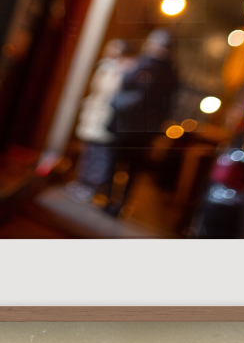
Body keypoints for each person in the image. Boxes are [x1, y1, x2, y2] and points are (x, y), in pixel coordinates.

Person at [106, 29, 179, 219]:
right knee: (121, 164)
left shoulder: (152, 67)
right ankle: (115, 201)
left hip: (133, 126)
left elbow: (140, 95)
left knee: (124, 164)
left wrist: (115, 103)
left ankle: (116, 202)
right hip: (137, 127)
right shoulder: (163, 70)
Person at [72, 43, 131, 201]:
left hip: (106, 116)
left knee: (100, 153)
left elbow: (111, 91)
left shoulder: (121, 69)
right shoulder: (106, 66)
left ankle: (92, 186)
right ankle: (82, 181)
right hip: (95, 114)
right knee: (89, 150)